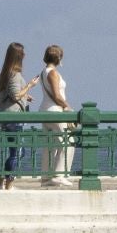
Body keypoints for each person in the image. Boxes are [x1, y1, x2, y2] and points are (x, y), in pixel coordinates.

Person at [0, 42, 38, 190]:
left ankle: (2, 178)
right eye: (23, 53)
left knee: (17, 151)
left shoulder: (6, 73)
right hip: (13, 117)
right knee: (18, 151)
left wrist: (26, 95)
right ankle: (9, 182)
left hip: (7, 117)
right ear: (19, 56)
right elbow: (14, 96)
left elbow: (11, 94)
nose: (25, 55)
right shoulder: (14, 74)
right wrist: (30, 85)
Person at [39, 44, 74, 188]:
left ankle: (46, 176)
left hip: (45, 110)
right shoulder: (53, 73)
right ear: (59, 57)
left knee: (50, 144)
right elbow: (57, 95)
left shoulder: (43, 72)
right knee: (68, 141)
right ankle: (59, 175)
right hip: (54, 111)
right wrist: (67, 107)